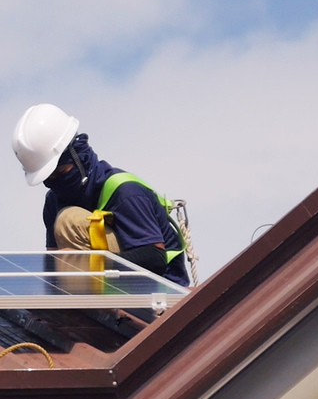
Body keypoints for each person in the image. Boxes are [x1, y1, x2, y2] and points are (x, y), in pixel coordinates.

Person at [11, 103, 189, 286]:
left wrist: (87, 266)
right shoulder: (53, 202)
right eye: (49, 177)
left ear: (78, 156)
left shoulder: (125, 191)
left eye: (62, 172)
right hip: (102, 285)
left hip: (159, 286)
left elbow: (154, 258)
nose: (56, 182)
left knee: (68, 220)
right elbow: (56, 266)